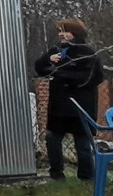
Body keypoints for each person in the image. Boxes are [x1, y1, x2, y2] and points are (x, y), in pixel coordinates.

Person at [34, 18, 104, 183]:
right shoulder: (57, 51)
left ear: (76, 33)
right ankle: (56, 174)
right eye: (60, 31)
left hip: (80, 106)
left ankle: (86, 178)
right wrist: (49, 61)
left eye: (65, 31)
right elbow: (40, 68)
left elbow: (88, 78)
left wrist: (58, 73)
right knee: (52, 138)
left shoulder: (88, 54)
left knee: (82, 143)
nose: (61, 34)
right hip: (59, 106)